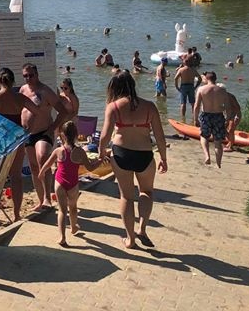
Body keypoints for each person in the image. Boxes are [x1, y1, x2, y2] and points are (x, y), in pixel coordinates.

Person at [98, 71, 168, 249]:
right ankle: (142, 229)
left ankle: (130, 239)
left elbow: (105, 135)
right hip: (144, 154)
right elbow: (160, 137)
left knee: (126, 196)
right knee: (146, 192)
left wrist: (101, 152)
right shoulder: (150, 106)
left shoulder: (113, 107)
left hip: (121, 154)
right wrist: (163, 158)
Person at [0, 67, 40, 220]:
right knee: (16, 177)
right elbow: (37, 111)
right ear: (13, 81)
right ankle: (16, 214)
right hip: (16, 139)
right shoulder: (19, 98)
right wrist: (29, 129)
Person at [38, 121, 102, 246]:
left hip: (60, 183)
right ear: (76, 135)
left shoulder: (58, 151)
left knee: (62, 210)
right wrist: (100, 160)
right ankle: (73, 227)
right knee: (73, 207)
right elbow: (90, 168)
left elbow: (47, 164)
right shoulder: (80, 151)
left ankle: (62, 237)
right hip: (73, 184)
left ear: (62, 134)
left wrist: (41, 173)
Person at [20, 63, 69, 212]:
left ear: (37, 74)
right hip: (28, 134)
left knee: (43, 158)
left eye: (31, 75)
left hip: (43, 132)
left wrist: (52, 129)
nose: (28, 78)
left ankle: (48, 198)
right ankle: (40, 200)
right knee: (34, 167)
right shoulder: (23, 90)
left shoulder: (45, 91)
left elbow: (63, 111)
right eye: (25, 76)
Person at [193, 72, 231, 167]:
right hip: (218, 116)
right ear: (215, 79)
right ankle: (218, 163)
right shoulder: (222, 91)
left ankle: (207, 156)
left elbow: (196, 106)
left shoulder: (201, 89)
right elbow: (228, 107)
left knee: (204, 136)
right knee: (218, 142)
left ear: (206, 79)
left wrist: (195, 119)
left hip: (206, 115)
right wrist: (227, 119)